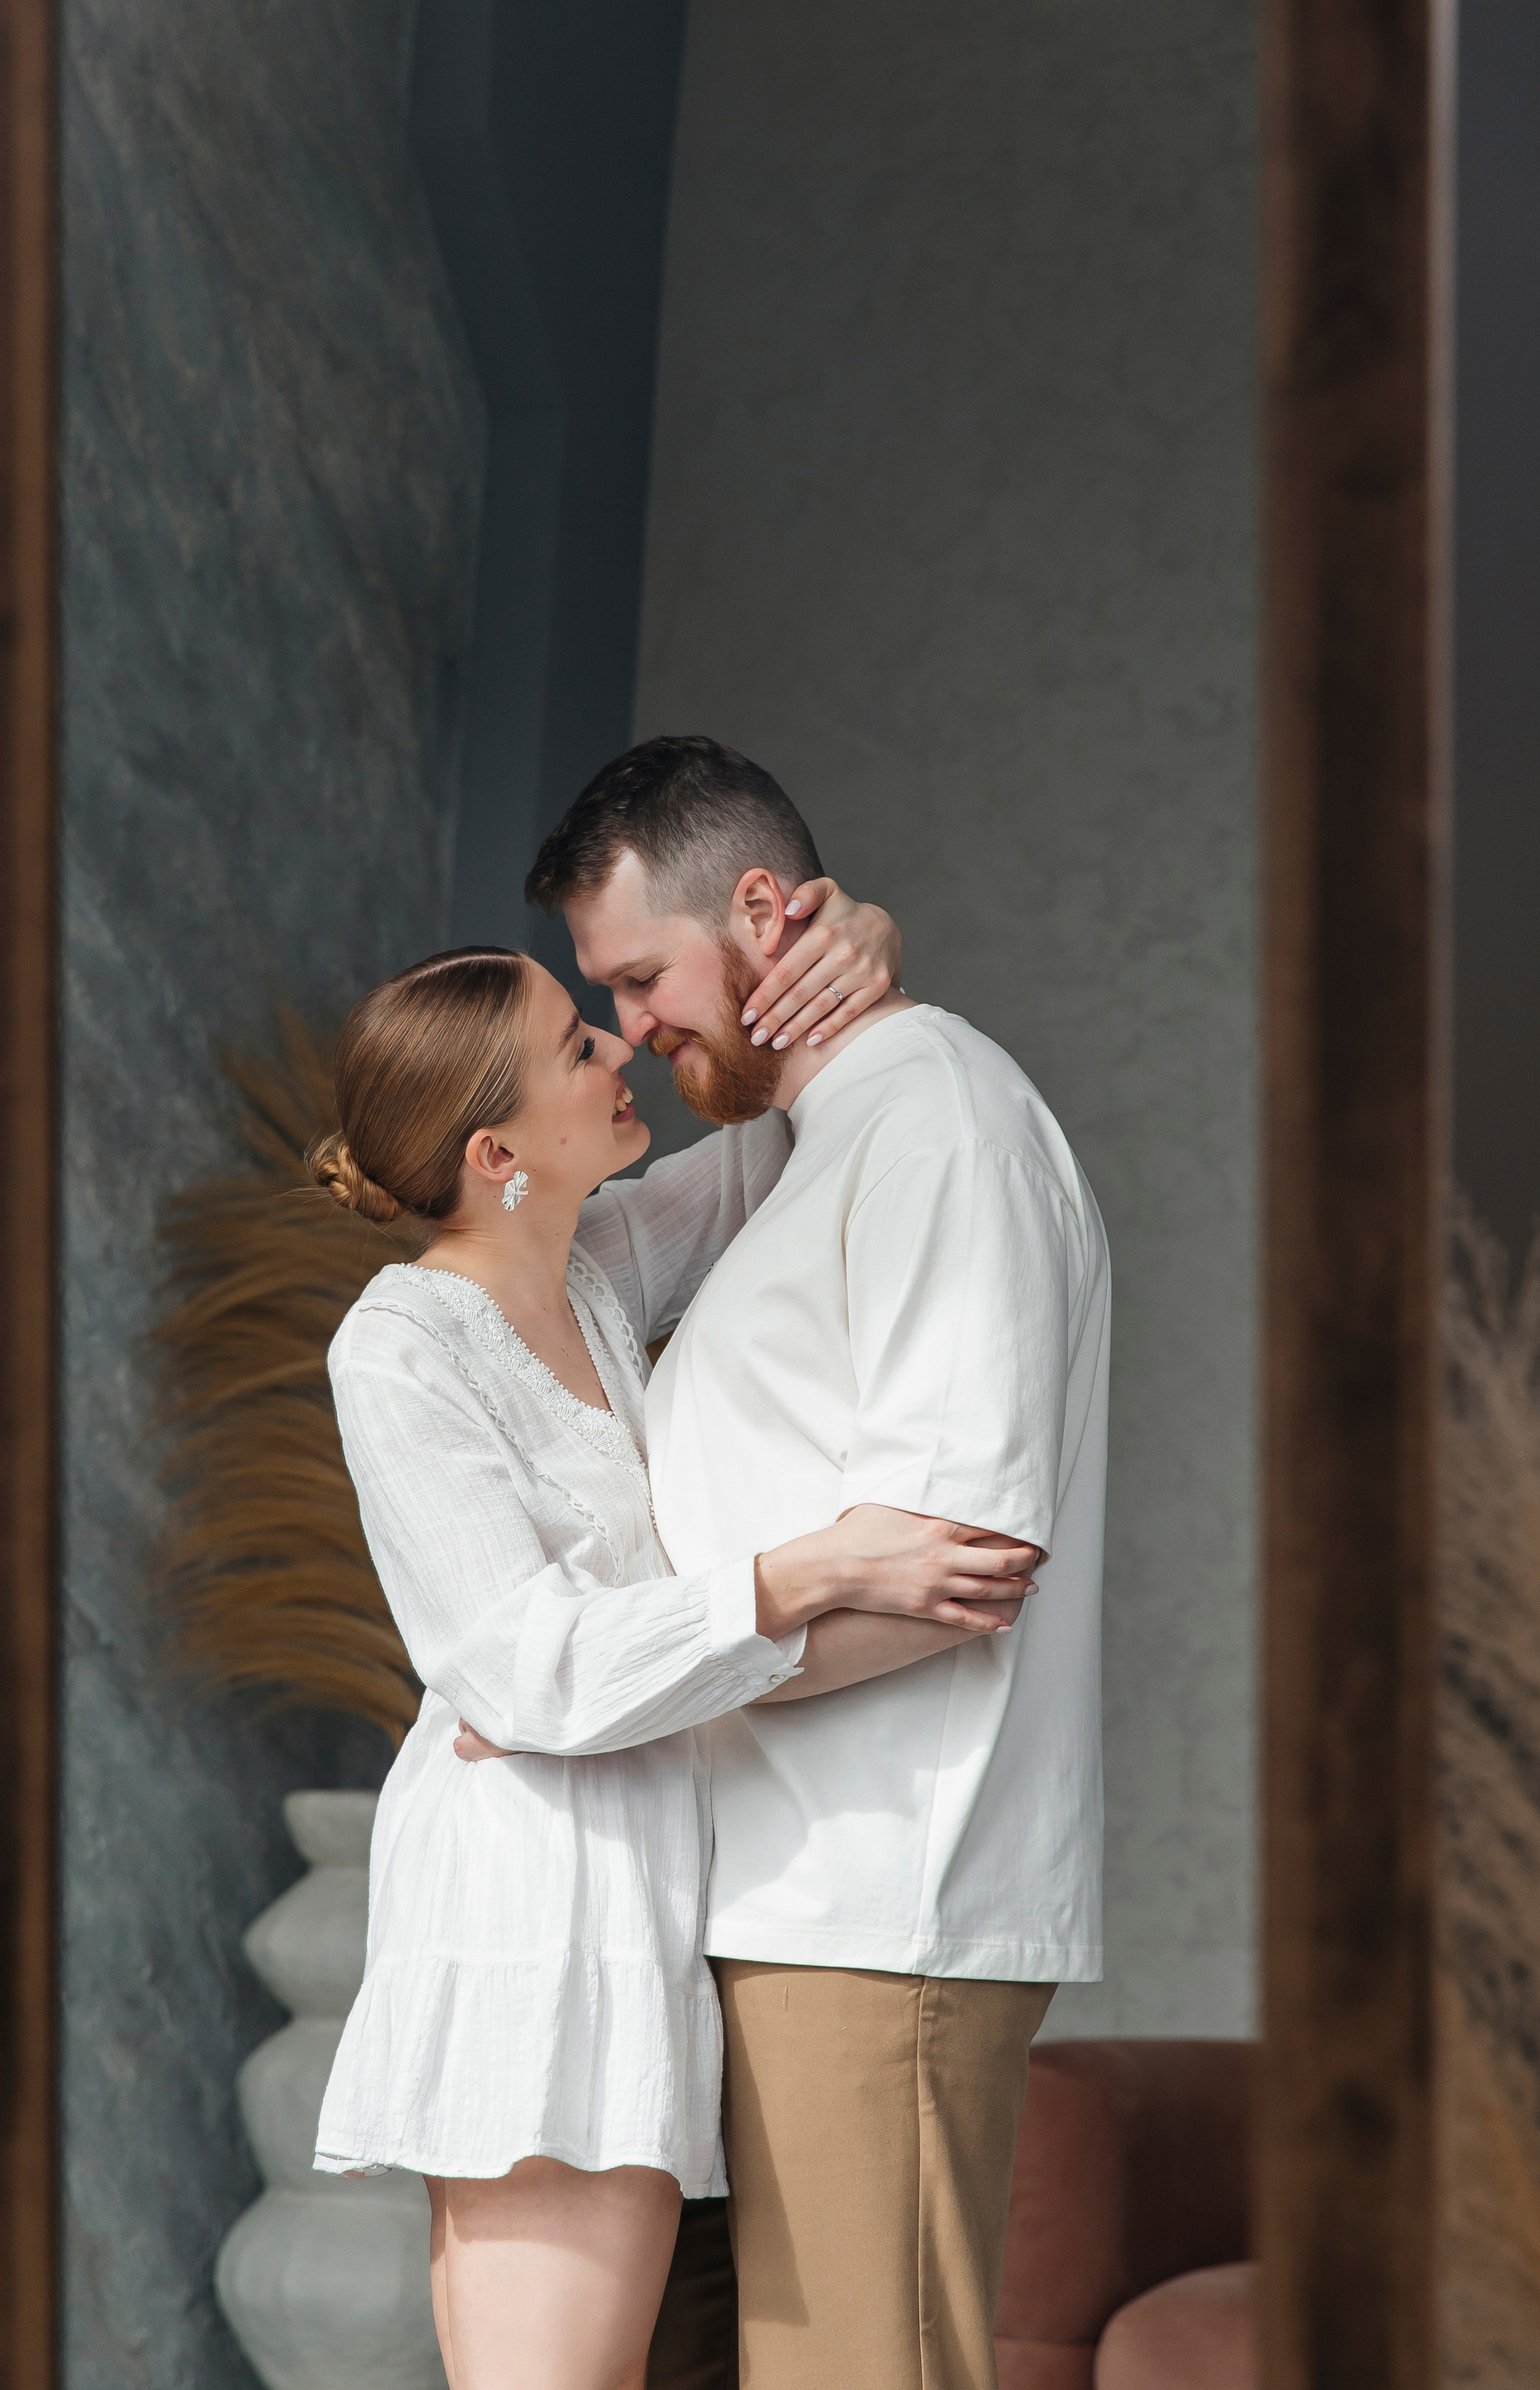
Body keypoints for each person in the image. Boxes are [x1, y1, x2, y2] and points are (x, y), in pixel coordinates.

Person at [307, 888, 1038, 2390]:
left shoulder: (592, 1268)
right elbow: (525, 1672)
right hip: (533, 1891)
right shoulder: (400, 1345)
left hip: (630, 1865)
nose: (623, 1048)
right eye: (579, 1047)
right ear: (496, 1155)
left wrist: (859, 950)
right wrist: (815, 1569)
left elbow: (778, 1133)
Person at [504, 734, 1112, 2390]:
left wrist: (639, 1683)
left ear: (766, 911)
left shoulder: (944, 1128)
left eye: (640, 979)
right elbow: (524, 1257)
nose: (633, 1029)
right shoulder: (798, 1146)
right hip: (745, 1896)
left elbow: (963, 1561)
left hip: (874, 1908)